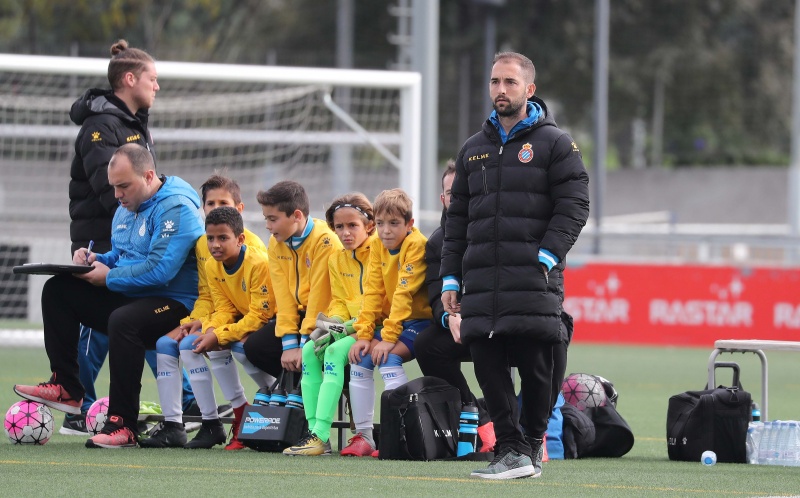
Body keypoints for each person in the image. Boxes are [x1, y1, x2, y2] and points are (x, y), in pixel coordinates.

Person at [440, 52, 590, 479]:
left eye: (509, 82)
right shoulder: (473, 149)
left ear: (529, 89)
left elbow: (576, 205)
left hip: (533, 278)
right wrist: (451, 276)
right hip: (482, 281)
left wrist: (545, 256)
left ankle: (531, 440)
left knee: (536, 368)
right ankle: (510, 449)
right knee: (488, 364)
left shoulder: (556, 143)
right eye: (494, 82)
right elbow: (457, 223)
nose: (500, 90)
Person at [14, 143, 205, 449]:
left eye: (124, 186)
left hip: (177, 305)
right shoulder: (125, 210)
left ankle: (123, 424)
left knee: (123, 320)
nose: (117, 195)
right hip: (137, 296)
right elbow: (122, 255)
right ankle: (67, 386)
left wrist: (109, 276)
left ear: (149, 176)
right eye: (114, 186)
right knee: (58, 289)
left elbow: (160, 271)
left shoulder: (176, 208)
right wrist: (96, 259)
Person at [62, 39, 194, 435]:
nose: (158, 86)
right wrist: (106, 257)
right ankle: (77, 402)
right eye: (152, 78)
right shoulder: (101, 129)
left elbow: (160, 267)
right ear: (130, 79)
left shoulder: (134, 126)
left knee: (129, 321)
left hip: (138, 255)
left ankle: (179, 403)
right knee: (95, 320)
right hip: (104, 240)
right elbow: (114, 191)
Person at [141, 175, 271, 450]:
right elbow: (210, 297)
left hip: (255, 320)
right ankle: (178, 424)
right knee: (167, 343)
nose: (214, 207)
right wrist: (194, 322)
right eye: (209, 203)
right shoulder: (206, 247)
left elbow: (257, 310)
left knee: (197, 346)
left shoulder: (255, 252)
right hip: (225, 317)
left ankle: (252, 407)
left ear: (239, 208)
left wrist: (216, 331)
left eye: (222, 202)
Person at [283, 193, 381, 456]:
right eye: (340, 227)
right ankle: (317, 437)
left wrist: (346, 328)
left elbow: (379, 305)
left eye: (353, 226)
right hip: (349, 326)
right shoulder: (337, 258)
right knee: (309, 349)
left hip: (373, 328)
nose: (346, 233)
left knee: (334, 353)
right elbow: (339, 300)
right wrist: (332, 324)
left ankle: (321, 433)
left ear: (369, 226)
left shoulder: (379, 252)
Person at [414, 160, 496, 453]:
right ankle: (472, 409)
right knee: (426, 344)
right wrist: (449, 318)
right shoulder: (437, 243)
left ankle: (530, 429)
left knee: (537, 344)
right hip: (462, 328)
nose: (458, 199)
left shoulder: (495, 232)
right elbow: (436, 295)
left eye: (464, 192)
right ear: (443, 199)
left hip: (497, 323)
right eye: (452, 193)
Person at [346, 188, 432, 457]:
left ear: (410, 224)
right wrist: (364, 334)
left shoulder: (416, 246)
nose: (385, 231)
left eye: (394, 223)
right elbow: (372, 292)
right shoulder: (377, 246)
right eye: (380, 224)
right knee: (361, 358)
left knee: (387, 357)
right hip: (396, 324)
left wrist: (387, 338)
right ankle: (365, 436)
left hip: (421, 321)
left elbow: (404, 295)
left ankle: (400, 434)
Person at [244, 181, 342, 378]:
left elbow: (319, 299)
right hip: (300, 316)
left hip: (328, 319)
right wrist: (289, 344)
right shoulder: (275, 242)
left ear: (297, 215)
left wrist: (303, 345)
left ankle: (316, 392)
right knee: (254, 347)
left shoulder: (325, 241)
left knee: (312, 355)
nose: (267, 226)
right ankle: (298, 393)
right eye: (266, 219)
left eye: (273, 219)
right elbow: (283, 297)